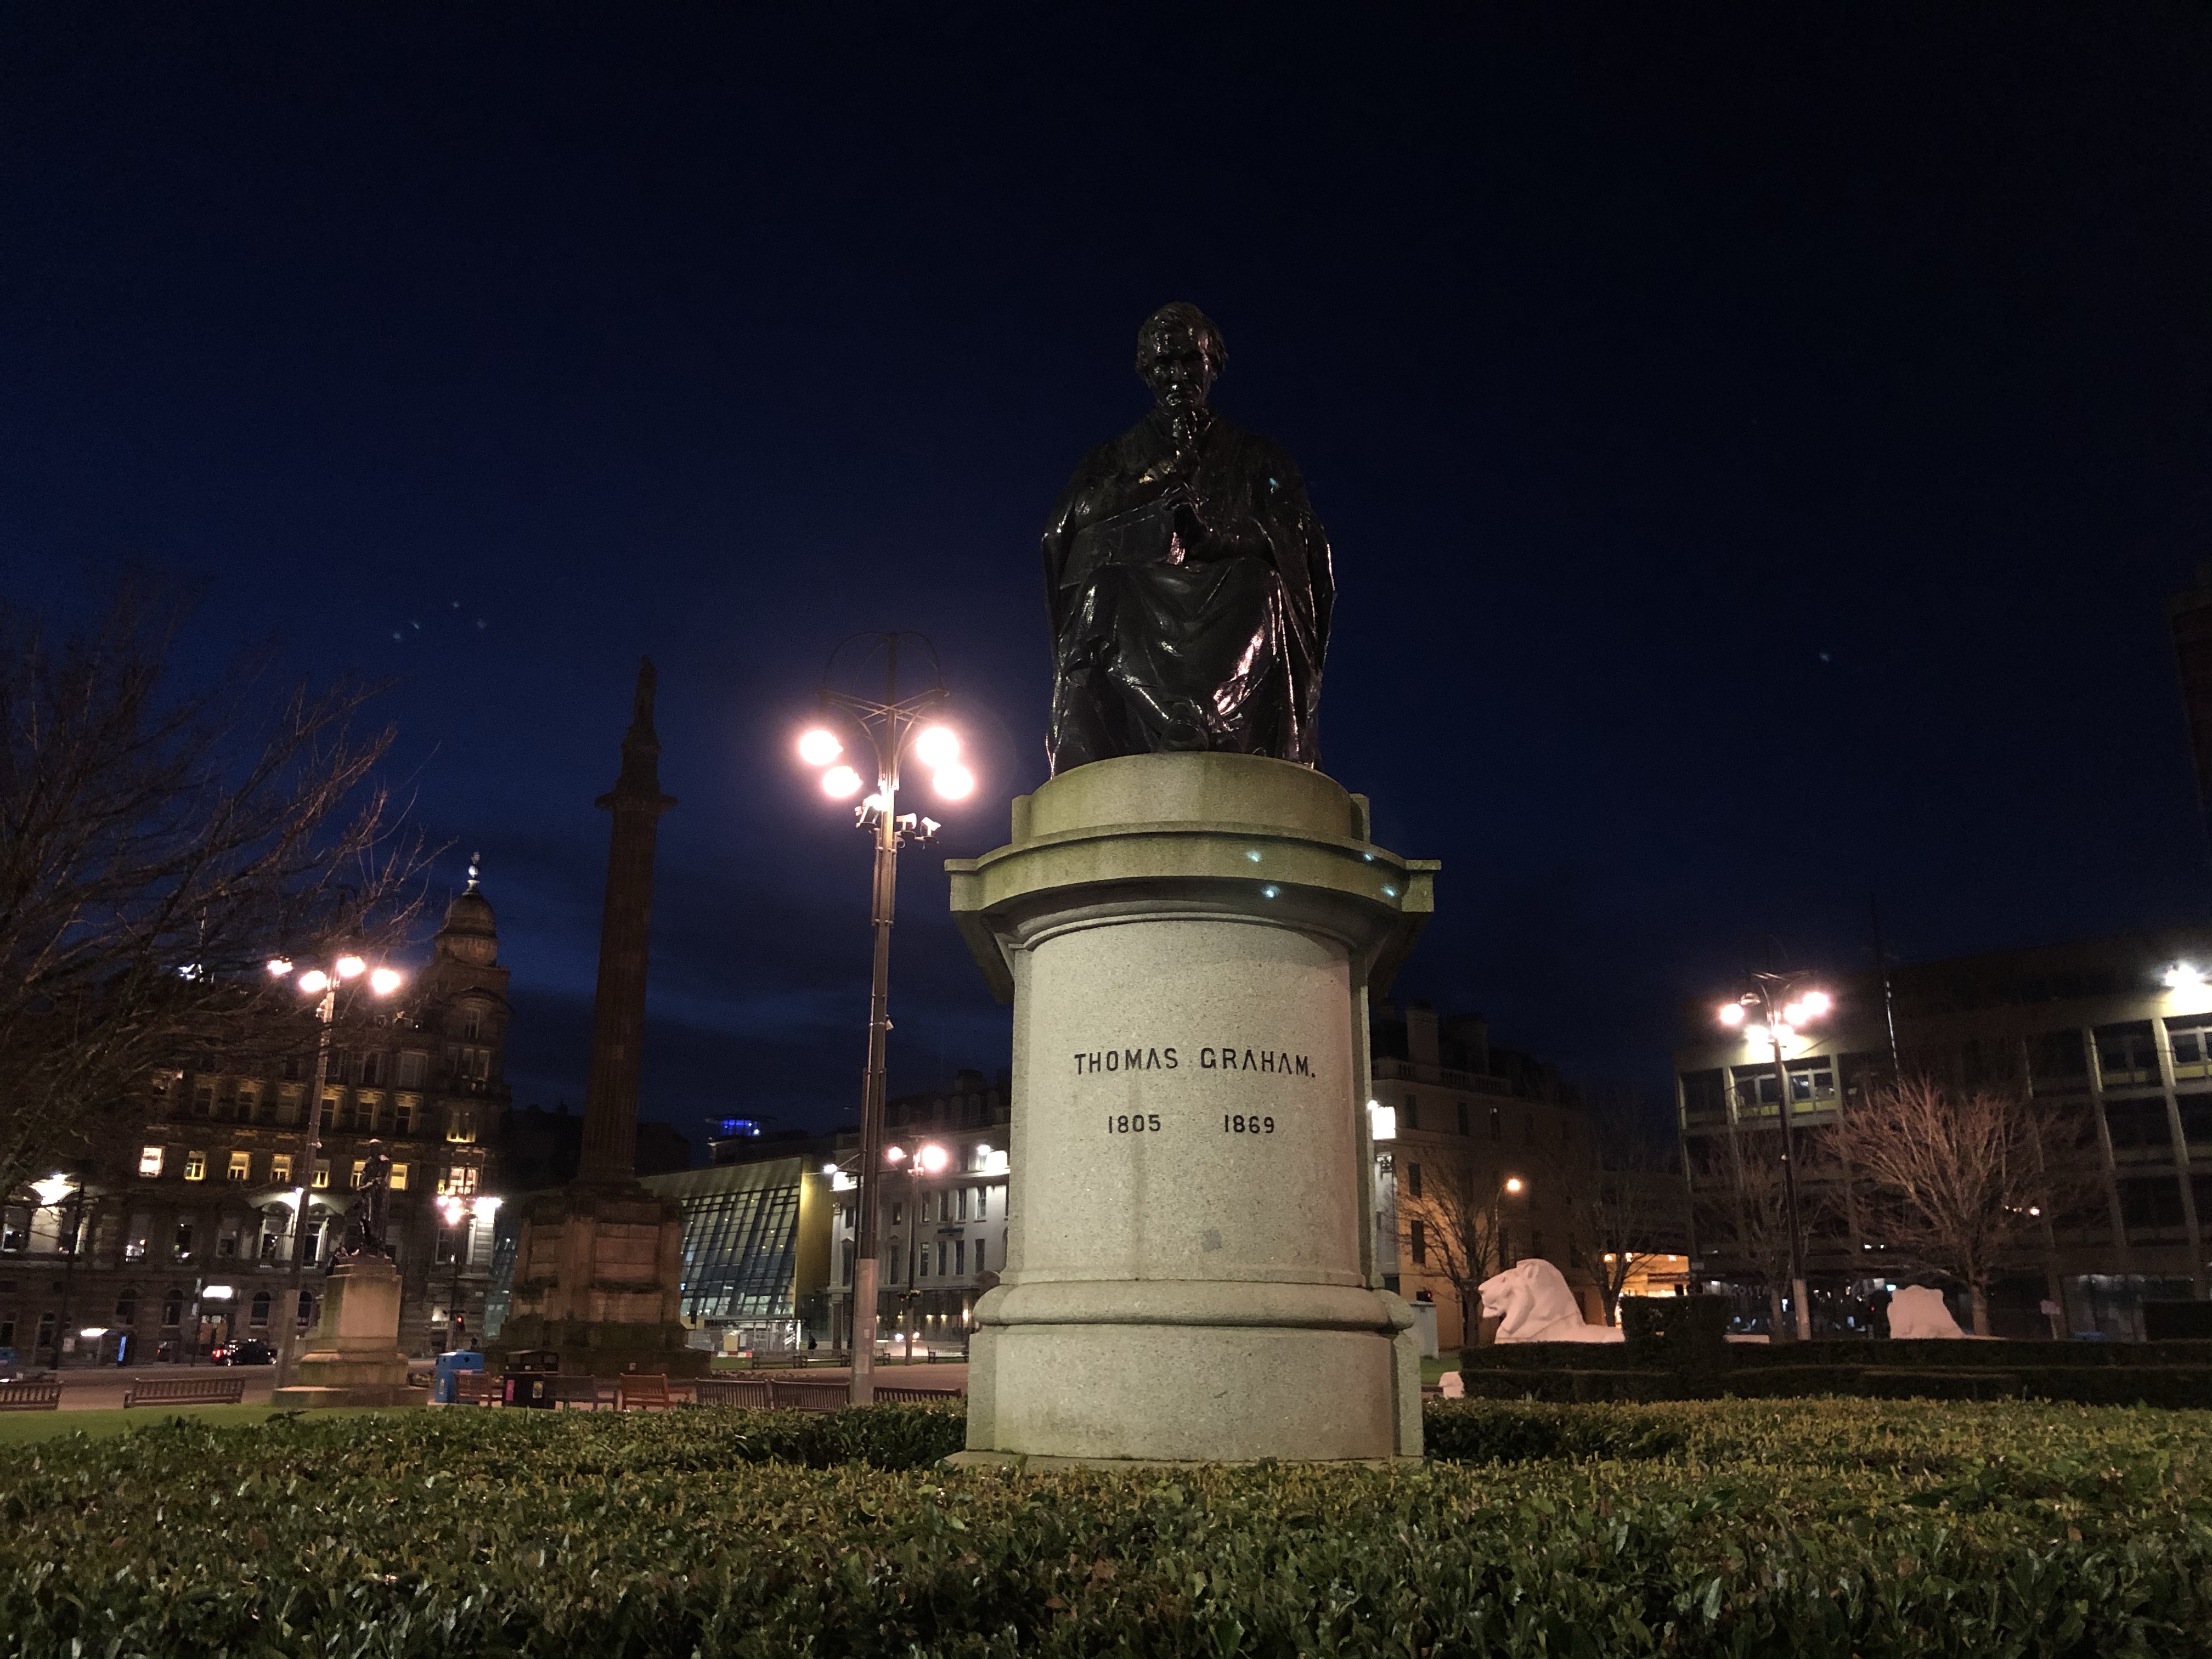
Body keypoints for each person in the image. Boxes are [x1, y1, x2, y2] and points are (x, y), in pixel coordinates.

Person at [1041, 303, 1335, 774]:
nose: (1178, 375)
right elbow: (1069, 523)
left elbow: (1300, 536)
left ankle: (1196, 719)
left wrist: (1220, 539)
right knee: (1104, 591)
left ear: (1213, 363)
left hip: (1231, 592)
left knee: (1260, 585)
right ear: (1146, 371)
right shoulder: (1113, 456)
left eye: (1190, 360)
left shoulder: (1259, 457)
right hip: (1142, 590)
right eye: (1164, 363)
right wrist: (1162, 474)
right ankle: (1176, 722)